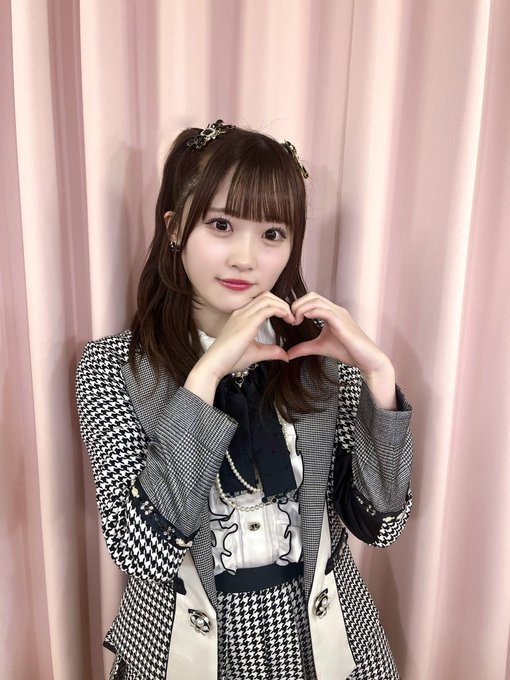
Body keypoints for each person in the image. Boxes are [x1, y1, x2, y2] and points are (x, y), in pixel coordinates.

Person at [76, 120, 413, 680]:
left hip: (324, 639)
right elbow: (140, 551)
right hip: (182, 644)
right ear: (175, 228)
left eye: (272, 233)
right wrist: (207, 374)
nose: (245, 258)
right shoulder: (113, 367)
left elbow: (381, 526)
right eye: (222, 225)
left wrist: (379, 375)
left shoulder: (319, 361)